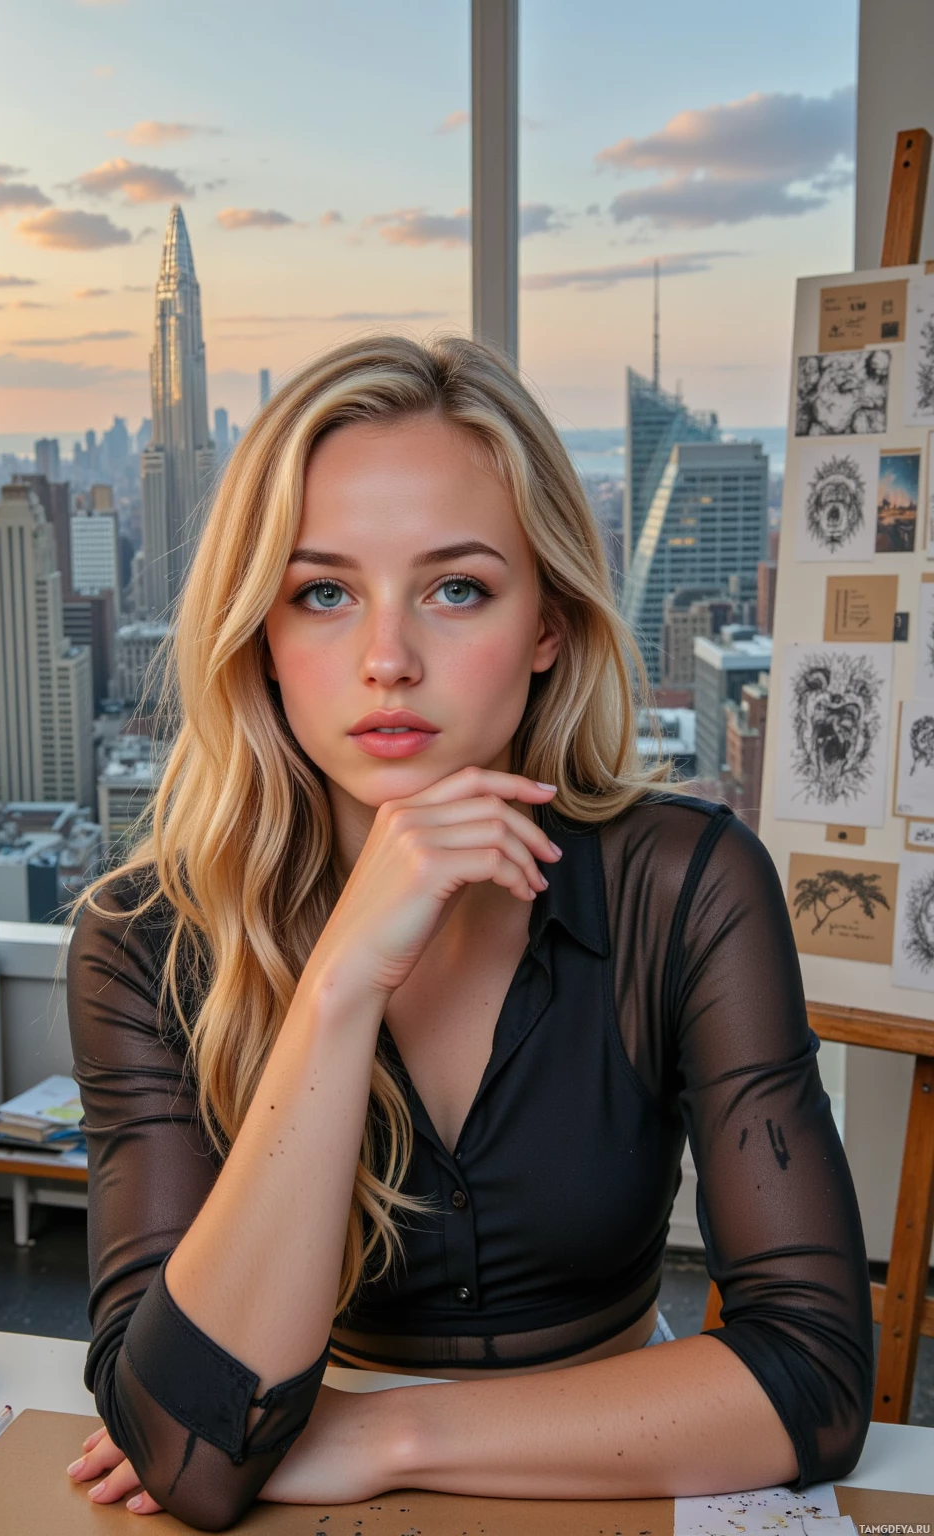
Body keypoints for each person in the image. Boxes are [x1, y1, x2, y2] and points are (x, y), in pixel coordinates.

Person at [63, 334, 874, 1531]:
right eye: (323, 593)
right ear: (263, 641)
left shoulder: (688, 886)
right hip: (303, 1501)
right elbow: (186, 1451)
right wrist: (342, 980)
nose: (388, 660)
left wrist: (394, 1430)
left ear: (546, 624)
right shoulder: (140, 940)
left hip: (591, 1463)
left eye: (457, 589)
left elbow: (812, 1374)